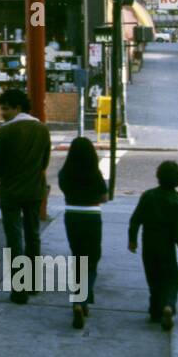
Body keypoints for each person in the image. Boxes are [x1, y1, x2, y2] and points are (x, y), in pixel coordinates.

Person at [0, 88, 51, 304]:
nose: (2, 113)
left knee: (15, 239)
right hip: (34, 191)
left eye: (5, 108)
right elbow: (44, 162)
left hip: (10, 192)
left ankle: (20, 289)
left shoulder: (5, 132)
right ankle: (34, 284)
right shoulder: (42, 130)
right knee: (33, 236)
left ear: (17, 108)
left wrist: (6, 176)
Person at [128, 161, 178, 330]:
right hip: (167, 247)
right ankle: (169, 306)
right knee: (172, 279)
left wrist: (132, 240)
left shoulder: (148, 196)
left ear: (158, 177)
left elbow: (135, 220)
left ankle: (155, 311)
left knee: (154, 279)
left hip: (148, 244)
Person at [57, 136, 108, 329]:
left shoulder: (65, 172)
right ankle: (81, 301)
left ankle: (80, 300)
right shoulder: (95, 173)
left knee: (78, 258)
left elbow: (64, 189)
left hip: (72, 215)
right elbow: (103, 197)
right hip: (92, 216)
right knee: (92, 259)